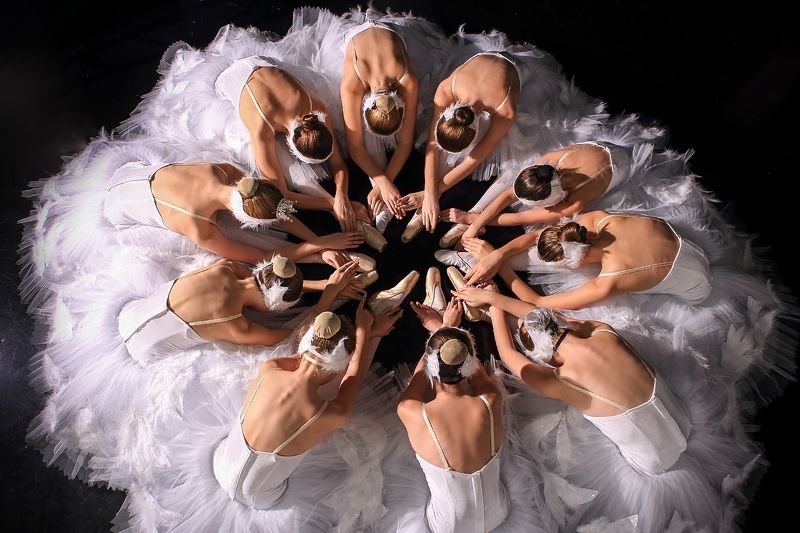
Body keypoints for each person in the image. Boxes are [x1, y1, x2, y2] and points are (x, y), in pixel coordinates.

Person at [213, 295, 403, 509]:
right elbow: (354, 374)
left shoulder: (270, 368)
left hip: (220, 464)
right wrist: (365, 330)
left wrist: (357, 333)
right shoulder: (332, 414)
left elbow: (308, 358)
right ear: (342, 363)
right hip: (261, 499)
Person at [489, 301, 691, 474]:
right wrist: (494, 298)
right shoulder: (604, 330)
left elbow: (508, 354)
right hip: (683, 420)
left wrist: (494, 309)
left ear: (545, 355)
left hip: (653, 461)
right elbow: (553, 321)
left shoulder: (562, 380)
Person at [105, 160, 371, 267]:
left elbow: (278, 209)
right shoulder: (197, 225)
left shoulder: (221, 170)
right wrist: (320, 244)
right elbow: (261, 257)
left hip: (148, 175)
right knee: (253, 244)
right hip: (126, 205)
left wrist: (320, 234)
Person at [215, 55, 372, 233]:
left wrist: (342, 194)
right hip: (231, 81)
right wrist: (334, 203)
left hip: (261, 62)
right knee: (283, 161)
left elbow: (337, 163)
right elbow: (280, 194)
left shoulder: (316, 108)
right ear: (291, 144)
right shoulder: (262, 127)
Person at [118, 256, 361, 366]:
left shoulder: (225, 267)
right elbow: (295, 338)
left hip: (130, 314)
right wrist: (328, 295)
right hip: (145, 349)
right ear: (273, 305)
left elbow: (260, 282)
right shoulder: (234, 323)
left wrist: (321, 285)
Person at [455, 210, 713, 308]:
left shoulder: (610, 280)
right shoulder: (597, 220)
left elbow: (538, 301)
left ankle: (467, 261)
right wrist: (497, 254)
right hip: (680, 244)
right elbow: (536, 235)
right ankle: (470, 259)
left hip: (695, 284)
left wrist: (500, 266)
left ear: (576, 264)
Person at [396, 312, 510, 533]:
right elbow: (477, 371)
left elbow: (418, 379)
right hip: (499, 513)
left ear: (432, 365)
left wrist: (441, 330)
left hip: (447, 526)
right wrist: (448, 335)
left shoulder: (409, 410)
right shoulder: (491, 400)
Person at [399, 51, 522, 241]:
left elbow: (473, 161)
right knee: (444, 147)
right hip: (476, 74)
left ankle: (474, 214)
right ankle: (424, 210)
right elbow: (432, 145)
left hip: (512, 79)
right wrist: (429, 194)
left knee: (518, 165)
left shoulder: (505, 110)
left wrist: (432, 193)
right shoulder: (446, 89)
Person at [439, 141, 632, 247]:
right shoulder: (546, 163)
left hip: (618, 166)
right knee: (510, 178)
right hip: (596, 148)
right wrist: (475, 224)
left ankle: (474, 214)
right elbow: (508, 195)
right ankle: (477, 209)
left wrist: (470, 219)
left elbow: (520, 218)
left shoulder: (573, 203)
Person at [339, 17, 419, 229]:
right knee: (364, 135)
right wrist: (383, 183)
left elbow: (405, 143)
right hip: (357, 41)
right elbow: (355, 147)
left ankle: (385, 206)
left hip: (389, 35)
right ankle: (386, 207)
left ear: (400, 106)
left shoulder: (407, 80)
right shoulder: (352, 85)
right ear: (366, 106)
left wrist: (383, 185)